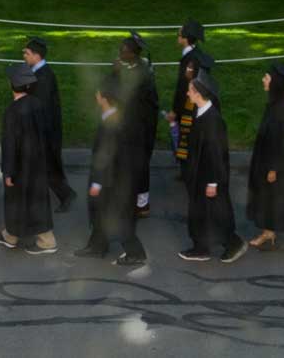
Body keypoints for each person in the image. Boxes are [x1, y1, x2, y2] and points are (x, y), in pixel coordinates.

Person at [74, 75, 147, 265]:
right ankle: (97, 245)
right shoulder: (117, 117)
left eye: (98, 93)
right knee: (102, 213)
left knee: (118, 217)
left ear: (104, 98)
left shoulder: (110, 124)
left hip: (111, 181)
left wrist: (97, 183)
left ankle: (135, 252)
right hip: (118, 178)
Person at [181, 70, 246, 264]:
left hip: (210, 177)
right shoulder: (200, 113)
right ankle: (201, 248)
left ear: (199, 94)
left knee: (216, 214)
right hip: (199, 175)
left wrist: (213, 182)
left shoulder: (213, 121)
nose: (187, 94)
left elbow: (217, 154)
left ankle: (233, 243)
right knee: (199, 213)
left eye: (190, 91)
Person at [0, 63, 55, 254]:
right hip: (37, 163)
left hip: (19, 166)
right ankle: (11, 235)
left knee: (16, 200)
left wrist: (8, 171)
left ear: (12, 85)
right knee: (36, 199)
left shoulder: (13, 111)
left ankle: (46, 241)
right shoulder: (38, 105)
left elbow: (10, 144)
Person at [247, 62, 284, 252]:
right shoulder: (275, 103)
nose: (263, 79)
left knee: (280, 200)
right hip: (268, 159)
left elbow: (282, 143)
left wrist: (273, 168)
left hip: (278, 165)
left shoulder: (283, 109)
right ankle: (268, 231)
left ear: (276, 82)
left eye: (267, 77)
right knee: (268, 198)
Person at [23, 36, 75, 211]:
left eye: (27, 53)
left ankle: (66, 195)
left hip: (45, 131)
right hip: (45, 129)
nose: (24, 56)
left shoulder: (43, 77)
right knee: (46, 167)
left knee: (47, 167)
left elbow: (40, 108)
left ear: (36, 56)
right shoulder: (41, 72)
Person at [115, 32, 158, 217]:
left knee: (139, 166)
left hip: (140, 128)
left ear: (133, 53)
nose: (120, 54)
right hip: (132, 126)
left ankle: (141, 204)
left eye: (123, 51)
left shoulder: (141, 74)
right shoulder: (137, 68)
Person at [168, 20, 210, 167]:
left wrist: (175, 110)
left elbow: (183, 87)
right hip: (191, 104)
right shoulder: (195, 55)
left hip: (188, 106)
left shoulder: (191, 60)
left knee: (185, 138)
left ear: (185, 38)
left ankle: (187, 169)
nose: (177, 36)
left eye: (179, 34)